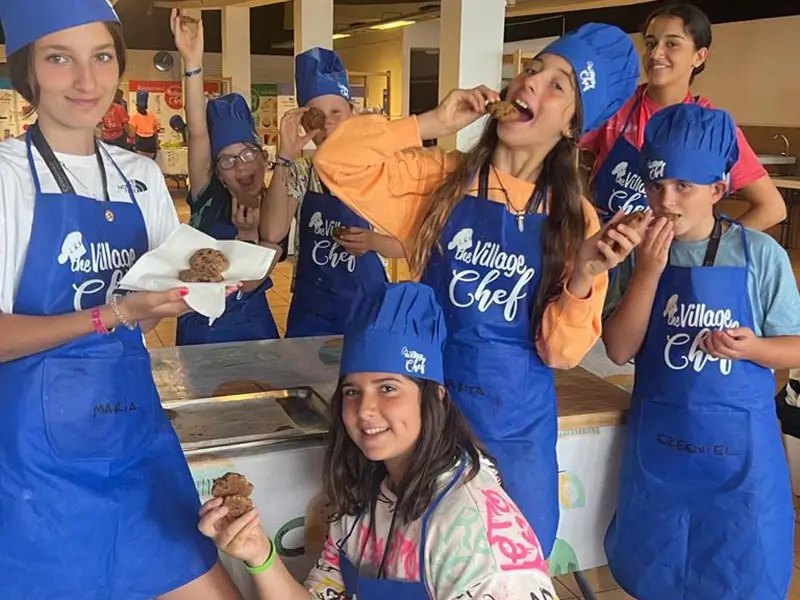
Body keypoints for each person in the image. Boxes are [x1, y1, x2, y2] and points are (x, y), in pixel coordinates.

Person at [311, 23, 642, 558]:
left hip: (515, 430)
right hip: (424, 421)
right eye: (533, 69)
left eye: (559, 85)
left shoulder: (575, 220)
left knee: (509, 571)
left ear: (571, 125)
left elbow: (560, 351)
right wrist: (433, 121)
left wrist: (582, 274)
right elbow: (336, 162)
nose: (532, 84)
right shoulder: (439, 182)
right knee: (414, 564)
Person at [0, 1, 244, 598]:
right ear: (27, 71)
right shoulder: (7, 178)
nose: (86, 81)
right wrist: (117, 313)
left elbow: (173, 282)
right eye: (60, 59)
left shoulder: (141, 175)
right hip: (35, 467)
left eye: (102, 57)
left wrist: (208, 287)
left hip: (134, 437)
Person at [199, 281, 559, 599]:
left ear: (435, 397)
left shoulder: (476, 538)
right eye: (352, 392)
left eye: (388, 388)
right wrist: (260, 556)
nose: (365, 410)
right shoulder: (363, 498)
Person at [602, 103, 800, 600]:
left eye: (683, 187)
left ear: (717, 189)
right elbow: (620, 348)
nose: (666, 200)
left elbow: (796, 347)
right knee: (658, 574)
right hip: (660, 454)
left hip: (741, 462)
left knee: (741, 574)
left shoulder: (760, 255)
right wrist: (648, 270)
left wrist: (755, 347)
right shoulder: (635, 254)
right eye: (656, 186)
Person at [581, 2, 786, 231]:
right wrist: (580, 210)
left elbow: (772, 207)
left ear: (699, 56)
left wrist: (712, 249)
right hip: (606, 251)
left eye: (671, 44)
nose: (656, 53)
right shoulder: (614, 106)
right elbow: (556, 147)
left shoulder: (712, 130)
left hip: (672, 261)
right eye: (650, 44)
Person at [260, 47, 405, 338]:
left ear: (353, 113)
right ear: (305, 121)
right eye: (317, 115)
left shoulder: (382, 169)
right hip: (312, 311)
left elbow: (412, 245)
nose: (327, 123)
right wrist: (285, 156)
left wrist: (373, 241)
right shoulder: (301, 170)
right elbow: (273, 232)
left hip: (370, 308)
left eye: (336, 112)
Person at [171, 9, 281, 345]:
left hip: (252, 323)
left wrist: (249, 233)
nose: (241, 167)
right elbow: (199, 134)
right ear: (216, 171)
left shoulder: (278, 203)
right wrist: (193, 61)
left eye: (247, 155)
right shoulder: (207, 195)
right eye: (227, 160)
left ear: (263, 156)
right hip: (199, 324)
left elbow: (246, 283)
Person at [129, 89, 160, 159]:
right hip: (151, 144)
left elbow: (132, 134)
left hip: (141, 144)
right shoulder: (152, 116)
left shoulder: (134, 117)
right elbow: (155, 133)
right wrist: (156, 144)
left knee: (141, 165)